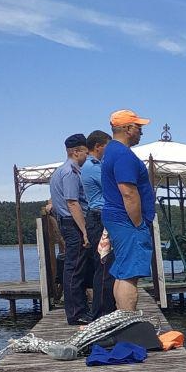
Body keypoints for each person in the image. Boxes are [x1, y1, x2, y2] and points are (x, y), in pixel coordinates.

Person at [100, 109, 155, 312]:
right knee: (130, 274)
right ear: (127, 128)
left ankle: (124, 320)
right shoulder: (123, 155)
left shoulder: (112, 151)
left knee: (124, 271)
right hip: (128, 221)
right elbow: (129, 193)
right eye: (139, 127)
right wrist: (139, 223)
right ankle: (129, 323)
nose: (141, 132)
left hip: (119, 219)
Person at [48, 133, 91, 324]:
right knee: (75, 268)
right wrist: (84, 230)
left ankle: (79, 309)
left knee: (74, 267)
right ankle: (76, 313)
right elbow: (73, 203)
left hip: (66, 222)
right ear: (76, 151)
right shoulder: (71, 173)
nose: (87, 157)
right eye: (85, 153)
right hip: (72, 224)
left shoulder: (59, 171)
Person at [81, 129, 115, 319]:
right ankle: (102, 312)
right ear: (98, 147)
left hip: (100, 217)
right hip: (98, 217)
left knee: (106, 265)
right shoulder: (92, 167)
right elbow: (111, 184)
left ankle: (106, 309)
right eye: (107, 147)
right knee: (104, 265)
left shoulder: (95, 165)